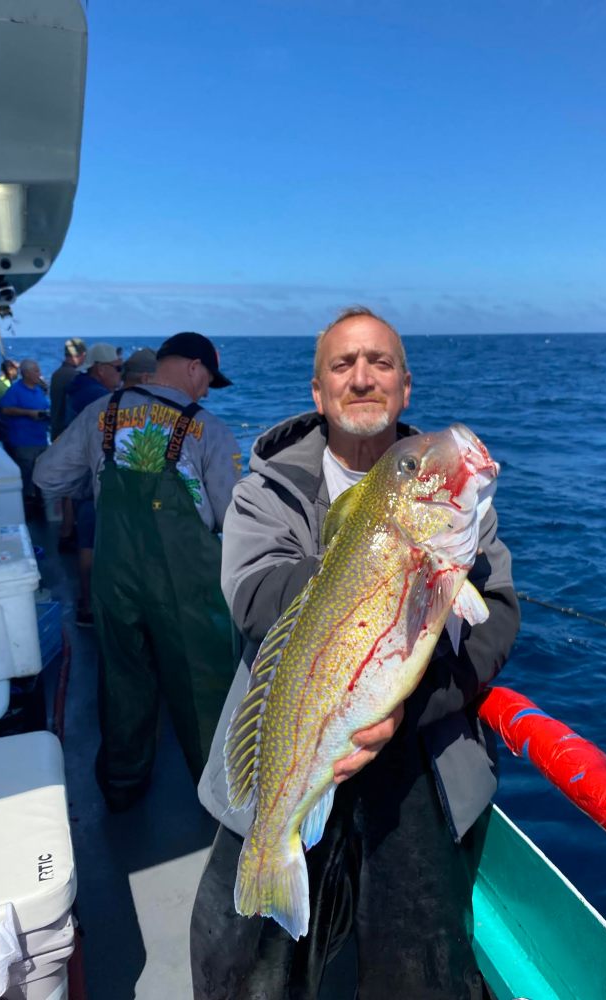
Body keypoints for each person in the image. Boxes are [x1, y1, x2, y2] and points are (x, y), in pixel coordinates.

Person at [192, 307, 520, 1000]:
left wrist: (402, 707)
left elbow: (493, 621)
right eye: (343, 365)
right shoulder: (265, 488)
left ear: (405, 387)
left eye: (380, 363)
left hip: (416, 746)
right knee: (239, 962)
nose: (362, 377)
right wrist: (383, 560)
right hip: (296, 723)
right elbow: (254, 597)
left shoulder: (452, 504)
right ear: (317, 392)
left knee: (419, 962)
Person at [34, 331, 242, 810]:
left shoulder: (100, 413)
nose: (207, 391)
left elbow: (47, 477)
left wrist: (98, 490)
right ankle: (220, 800)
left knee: (122, 680)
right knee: (201, 686)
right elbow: (232, 514)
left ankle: (123, 788)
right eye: (208, 379)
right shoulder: (207, 427)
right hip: (187, 587)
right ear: (193, 367)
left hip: (115, 575)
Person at [59, 343, 123, 625]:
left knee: (86, 539)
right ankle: (88, 606)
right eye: (117, 369)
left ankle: (86, 603)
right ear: (101, 369)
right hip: (90, 476)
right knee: (90, 541)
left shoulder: (79, 387)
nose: (120, 375)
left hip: (78, 471)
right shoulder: (96, 396)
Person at [49, 338, 87, 552]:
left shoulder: (56, 374)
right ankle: (66, 533)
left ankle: (66, 530)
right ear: (80, 355)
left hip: (56, 435)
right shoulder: (74, 377)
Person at [0, 358, 50, 508]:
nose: (39, 373)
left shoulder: (39, 390)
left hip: (40, 439)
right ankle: (26, 509)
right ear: (26, 373)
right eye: (36, 371)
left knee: (41, 475)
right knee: (26, 477)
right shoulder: (15, 390)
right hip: (23, 441)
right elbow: (5, 409)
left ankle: (41, 506)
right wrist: (29, 413)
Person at [50, 338, 87, 440]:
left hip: (57, 431)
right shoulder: (76, 376)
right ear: (82, 355)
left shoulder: (56, 374)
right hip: (68, 435)